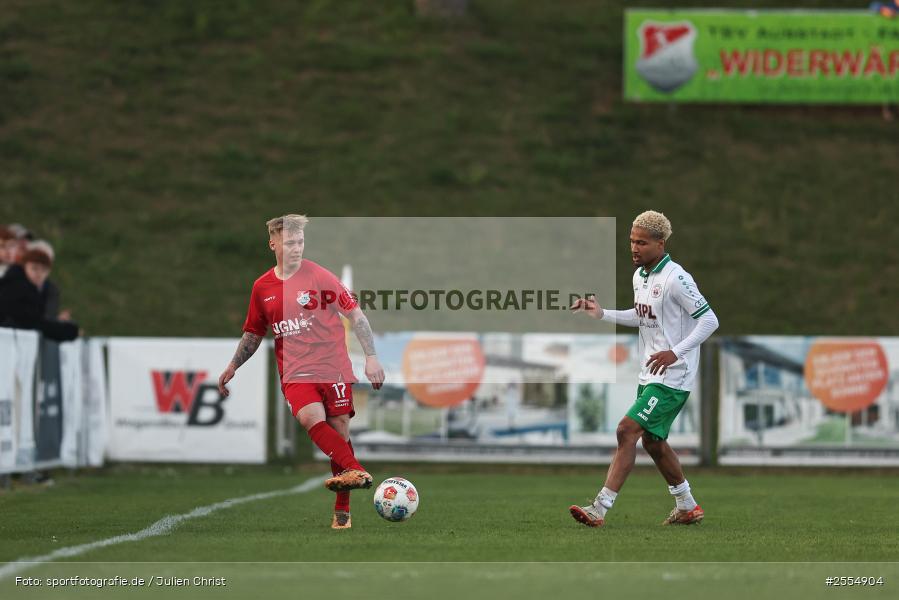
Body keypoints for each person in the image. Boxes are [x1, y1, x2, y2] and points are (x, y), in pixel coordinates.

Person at [218, 214, 385, 530]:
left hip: (333, 367)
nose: (296, 248)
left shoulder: (321, 277)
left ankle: (342, 511)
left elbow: (356, 315)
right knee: (310, 419)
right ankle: (357, 469)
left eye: (300, 242)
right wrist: (232, 365)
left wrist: (371, 356)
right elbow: (254, 333)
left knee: (339, 431)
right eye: (289, 242)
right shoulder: (262, 288)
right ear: (273, 244)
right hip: (295, 372)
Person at [568, 210, 719, 527]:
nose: (634, 248)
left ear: (660, 243)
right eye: (631, 241)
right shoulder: (641, 277)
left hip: (673, 377)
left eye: (642, 242)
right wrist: (602, 314)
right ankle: (687, 506)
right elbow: (642, 317)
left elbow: (709, 320)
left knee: (626, 430)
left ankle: (600, 508)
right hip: (650, 372)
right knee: (652, 442)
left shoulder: (677, 278)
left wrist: (675, 353)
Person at [0, 247, 79, 341]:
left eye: (43, 270)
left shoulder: (37, 290)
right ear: (24, 266)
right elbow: (28, 321)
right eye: (34, 268)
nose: (39, 273)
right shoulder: (15, 286)